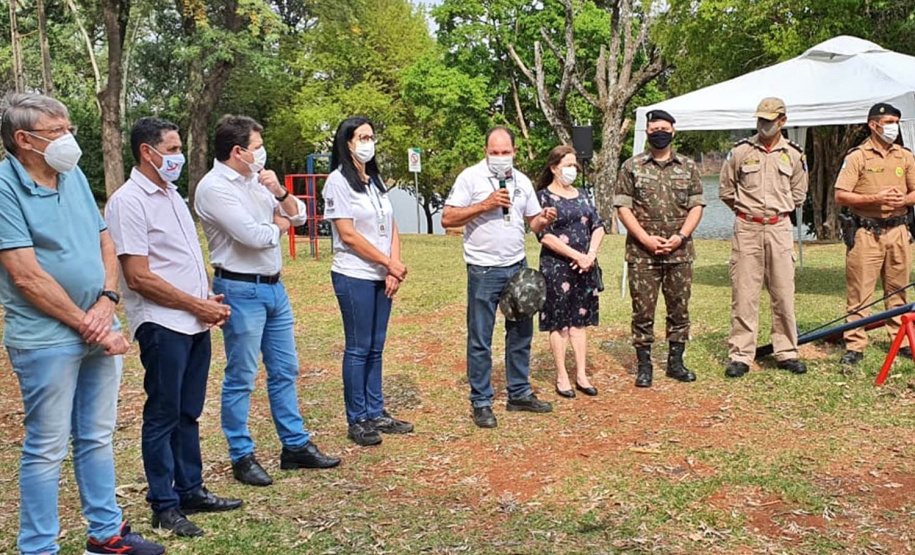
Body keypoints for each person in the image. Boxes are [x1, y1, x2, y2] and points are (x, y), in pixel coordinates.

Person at [0, 93, 165, 555]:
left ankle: (105, 533)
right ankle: (38, 548)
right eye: (57, 131)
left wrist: (107, 299)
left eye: (69, 127)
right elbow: (26, 275)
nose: (69, 138)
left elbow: (105, 242)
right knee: (46, 447)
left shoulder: (70, 176)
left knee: (96, 435)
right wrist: (90, 323)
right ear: (24, 140)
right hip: (47, 339)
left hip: (99, 324)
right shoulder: (4, 189)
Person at [105, 117, 242, 537]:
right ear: (147, 152)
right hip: (163, 325)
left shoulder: (171, 196)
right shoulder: (129, 201)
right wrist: (193, 302)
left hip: (194, 321)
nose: (179, 157)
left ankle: (191, 489)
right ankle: (163, 503)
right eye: (173, 149)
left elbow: (179, 260)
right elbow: (139, 276)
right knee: (163, 414)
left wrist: (203, 299)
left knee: (188, 412)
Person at [195, 114, 340, 487]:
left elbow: (301, 215)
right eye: (257, 147)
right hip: (241, 289)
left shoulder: (258, 181)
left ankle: (294, 445)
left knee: (285, 370)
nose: (262, 154)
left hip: (275, 288)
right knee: (242, 376)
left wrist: (279, 194)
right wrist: (280, 224)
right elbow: (254, 236)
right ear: (238, 150)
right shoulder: (214, 188)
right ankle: (241, 454)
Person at [442, 125, 558, 428]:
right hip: (483, 268)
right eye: (494, 152)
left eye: (505, 152)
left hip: (516, 265)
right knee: (480, 337)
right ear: (485, 151)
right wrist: (486, 204)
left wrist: (543, 218)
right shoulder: (470, 178)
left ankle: (519, 393)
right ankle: (481, 401)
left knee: (521, 333)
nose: (500, 157)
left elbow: (532, 221)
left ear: (515, 152)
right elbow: (448, 218)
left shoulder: (521, 181)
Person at [322, 116, 414, 446]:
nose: (368, 143)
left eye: (371, 137)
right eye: (362, 137)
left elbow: (390, 226)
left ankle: (376, 411)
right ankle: (357, 418)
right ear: (347, 142)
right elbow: (347, 234)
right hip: (354, 274)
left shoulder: (374, 181)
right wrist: (387, 262)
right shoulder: (337, 182)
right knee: (359, 348)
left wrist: (393, 267)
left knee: (376, 347)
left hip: (381, 275)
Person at [614, 110, 705, 388]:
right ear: (646, 132)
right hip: (643, 252)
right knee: (643, 310)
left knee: (679, 308)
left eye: (664, 128)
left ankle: (676, 362)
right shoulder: (632, 166)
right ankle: (644, 365)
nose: (659, 133)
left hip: (679, 251)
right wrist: (645, 238)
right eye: (654, 129)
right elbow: (622, 207)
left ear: (673, 131)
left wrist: (680, 236)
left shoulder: (688, 166)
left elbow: (697, 206)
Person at [719, 97, 808, 378]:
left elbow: (798, 194)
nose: (764, 125)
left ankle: (786, 351)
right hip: (747, 228)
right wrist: (748, 213)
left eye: (770, 120)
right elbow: (726, 190)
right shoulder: (741, 151)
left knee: (783, 293)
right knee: (744, 294)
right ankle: (741, 354)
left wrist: (774, 213)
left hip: (780, 227)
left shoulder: (794, 154)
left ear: (783, 121)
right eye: (760, 120)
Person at [834, 102, 915, 366]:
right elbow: (840, 195)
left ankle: (901, 340)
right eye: (889, 122)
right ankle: (855, 345)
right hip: (866, 232)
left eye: (896, 122)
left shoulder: (904, 156)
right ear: (874, 125)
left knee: (898, 290)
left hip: (899, 230)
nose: (893, 128)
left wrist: (904, 199)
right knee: (860, 293)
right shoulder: (858, 156)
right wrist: (874, 197)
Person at [535, 145, 605, 398]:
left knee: (580, 322)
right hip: (557, 268)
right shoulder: (543, 197)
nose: (572, 170)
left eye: (574, 165)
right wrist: (575, 255)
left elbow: (598, 225)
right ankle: (562, 375)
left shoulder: (584, 194)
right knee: (559, 323)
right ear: (554, 168)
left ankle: (582, 375)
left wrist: (590, 255)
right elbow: (544, 235)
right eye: (567, 165)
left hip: (585, 267)